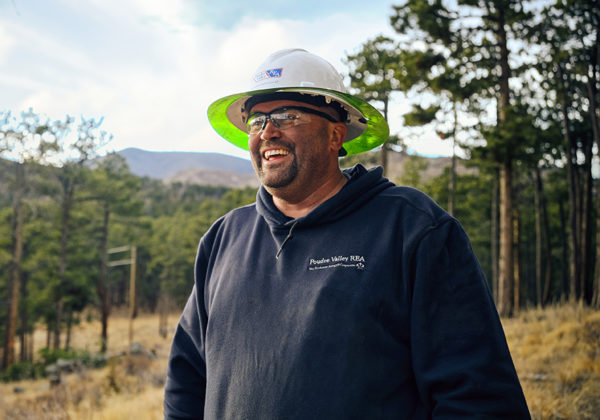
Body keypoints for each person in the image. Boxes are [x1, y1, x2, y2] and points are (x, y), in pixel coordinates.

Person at [163, 48, 530, 419]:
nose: (267, 131)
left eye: (286, 116)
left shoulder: (412, 228)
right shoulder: (224, 238)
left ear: (335, 134)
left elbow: (478, 399)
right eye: (257, 120)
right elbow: (187, 382)